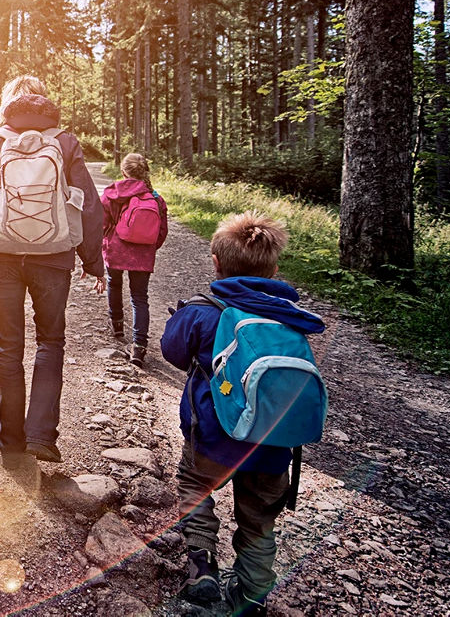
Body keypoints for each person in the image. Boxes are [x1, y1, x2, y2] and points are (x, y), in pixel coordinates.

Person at [161, 211, 324, 616]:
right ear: (274, 269)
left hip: (213, 440)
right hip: (273, 444)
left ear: (216, 262)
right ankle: (252, 594)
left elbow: (171, 352)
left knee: (194, 488)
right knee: (258, 521)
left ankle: (202, 568)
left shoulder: (202, 311)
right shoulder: (290, 319)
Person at [0, 75, 104, 466]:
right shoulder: (64, 142)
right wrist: (93, 261)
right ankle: (42, 436)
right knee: (50, 341)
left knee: (9, 344)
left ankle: (11, 439)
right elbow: (87, 204)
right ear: (42, 103)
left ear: (7, 105)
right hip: (54, 255)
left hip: (1, 255)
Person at [101, 153, 169, 368]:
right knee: (140, 297)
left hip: (115, 249)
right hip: (143, 253)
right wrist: (149, 248)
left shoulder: (112, 193)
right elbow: (162, 231)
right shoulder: (156, 197)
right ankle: (139, 347)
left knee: (114, 283)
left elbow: (102, 224)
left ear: (123, 171)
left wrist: (106, 242)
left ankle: (117, 325)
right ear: (145, 172)